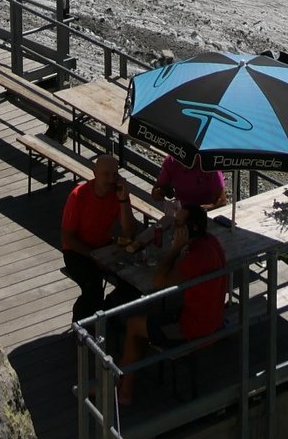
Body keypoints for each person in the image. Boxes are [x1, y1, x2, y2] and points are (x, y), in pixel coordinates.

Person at [118, 204, 228, 405]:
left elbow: (158, 281)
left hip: (193, 330)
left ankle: (124, 391)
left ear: (189, 229)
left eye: (177, 224)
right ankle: (125, 377)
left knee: (133, 324)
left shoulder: (195, 257)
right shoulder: (212, 242)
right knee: (147, 321)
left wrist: (175, 248)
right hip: (214, 319)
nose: (173, 227)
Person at [61, 153, 135, 323]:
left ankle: (108, 315)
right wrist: (94, 256)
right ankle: (80, 329)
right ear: (95, 173)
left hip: (104, 247)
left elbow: (130, 232)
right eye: (106, 174)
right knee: (92, 288)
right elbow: (68, 238)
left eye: (114, 174)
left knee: (131, 283)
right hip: (77, 251)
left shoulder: (118, 194)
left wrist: (124, 201)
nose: (111, 179)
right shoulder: (78, 196)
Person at [151, 151, 228, 210]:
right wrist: (158, 193)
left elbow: (222, 200)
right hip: (179, 210)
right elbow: (157, 189)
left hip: (205, 213)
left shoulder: (209, 165)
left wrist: (195, 211)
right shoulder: (171, 161)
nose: (185, 164)